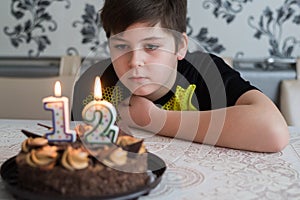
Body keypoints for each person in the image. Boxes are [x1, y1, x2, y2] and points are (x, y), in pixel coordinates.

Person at [72, 0, 289, 152]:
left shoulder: (205, 71)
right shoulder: (99, 83)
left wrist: (156, 120)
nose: (134, 60)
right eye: (121, 46)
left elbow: (274, 132)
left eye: (151, 46)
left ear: (180, 46)